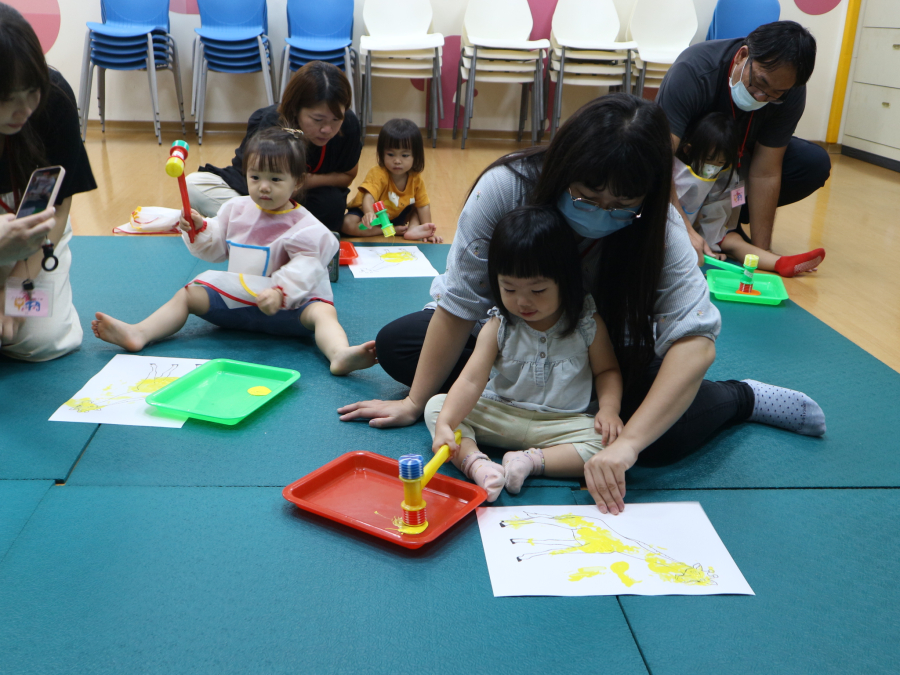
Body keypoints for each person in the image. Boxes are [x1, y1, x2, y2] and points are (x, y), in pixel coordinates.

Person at [339, 94, 826, 514]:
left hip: (600, 360)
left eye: (622, 206)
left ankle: (742, 397)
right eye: (588, 196)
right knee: (400, 345)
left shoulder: (660, 228)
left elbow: (695, 341)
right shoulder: (506, 189)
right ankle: (535, 424)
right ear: (562, 169)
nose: (601, 214)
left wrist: (629, 444)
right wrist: (416, 402)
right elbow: (461, 303)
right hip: (515, 352)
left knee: (660, 440)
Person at [92, 127, 377, 376]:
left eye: (276, 179)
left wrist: (280, 291)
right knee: (189, 294)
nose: (264, 187)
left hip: (290, 311)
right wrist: (199, 228)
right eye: (255, 177)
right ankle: (139, 333)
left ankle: (339, 353)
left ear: (298, 181)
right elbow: (215, 249)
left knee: (322, 313)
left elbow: (307, 266)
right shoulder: (235, 209)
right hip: (240, 303)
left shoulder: (307, 227)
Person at [426, 206, 623, 502]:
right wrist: (445, 425)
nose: (522, 302)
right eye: (508, 288)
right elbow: (470, 380)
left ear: (564, 281)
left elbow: (606, 371)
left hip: (560, 424)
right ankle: (476, 464)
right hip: (501, 413)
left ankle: (530, 462)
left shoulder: (586, 321)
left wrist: (609, 409)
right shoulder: (499, 324)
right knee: (437, 407)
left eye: (539, 290)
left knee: (612, 443)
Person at [656, 20, 829, 262]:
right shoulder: (695, 70)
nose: (761, 96)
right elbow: (659, 159)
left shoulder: (789, 90)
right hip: (683, 173)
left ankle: (729, 226)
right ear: (742, 56)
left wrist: (762, 251)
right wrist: (683, 230)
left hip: (732, 176)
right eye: (760, 83)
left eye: (774, 95)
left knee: (812, 162)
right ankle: (687, 224)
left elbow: (766, 172)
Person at [0, 2, 97, 361]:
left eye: (31, 91)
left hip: (32, 238)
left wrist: (15, 289)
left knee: (39, 342)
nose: (24, 110)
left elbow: (57, 206)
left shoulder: (54, 97)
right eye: (8, 98)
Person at [186, 61, 361, 233]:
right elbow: (252, 176)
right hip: (262, 191)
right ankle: (275, 227)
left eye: (336, 120)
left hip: (310, 197)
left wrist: (302, 181)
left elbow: (348, 175)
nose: (327, 129)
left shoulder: (348, 126)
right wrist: (277, 185)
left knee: (331, 207)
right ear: (295, 109)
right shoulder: (271, 122)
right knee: (192, 185)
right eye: (317, 120)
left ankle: (251, 226)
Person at [674, 112, 825, 276]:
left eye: (721, 162)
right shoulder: (676, 170)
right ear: (688, 149)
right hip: (671, 230)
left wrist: (709, 244)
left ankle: (780, 263)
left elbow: (715, 213)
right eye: (709, 159)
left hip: (699, 230)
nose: (713, 167)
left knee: (733, 240)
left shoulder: (724, 174)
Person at [343, 118, 441, 243]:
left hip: (396, 215)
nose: (397, 161)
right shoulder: (378, 173)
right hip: (368, 216)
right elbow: (369, 197)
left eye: (404, 155)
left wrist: (428, 231)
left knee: (417, 209)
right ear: (382, 153)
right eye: (391, 154)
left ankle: (412, 229)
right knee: (347, 224)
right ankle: (388, 230)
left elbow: (423, 206)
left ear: (416, 156)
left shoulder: (415, 177)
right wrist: (369, 213)